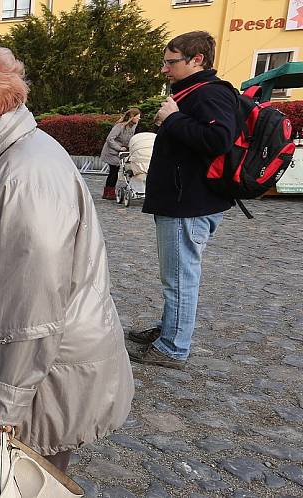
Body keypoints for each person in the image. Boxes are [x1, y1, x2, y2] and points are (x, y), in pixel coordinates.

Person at [0, 45, 134, 472]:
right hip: (30, 371)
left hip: (38, 383)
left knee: (26, 478)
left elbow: (30, 315)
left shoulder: (25, 180)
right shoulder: (3, 159)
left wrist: (3, 410)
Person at [128, 31, 238, 369]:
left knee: (180, 277)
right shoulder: (198, 92)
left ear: (197, 60)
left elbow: (219, 139)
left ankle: (173, 346)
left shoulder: (209, 94)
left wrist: (172, 119)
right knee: (178, 274)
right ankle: (170, 330)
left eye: (171, 62)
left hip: (188, 203)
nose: (165, 69)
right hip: (189, 200)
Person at [100, 109, 140, 199]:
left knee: (115, 172)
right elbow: (110, 139)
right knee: (113, 171)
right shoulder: (119, 126)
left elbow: (130, 138)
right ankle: (108, 192)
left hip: (121, 152)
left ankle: (109, 192)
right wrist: (119, 148)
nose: (138, 119)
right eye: (137, 117)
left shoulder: (133, 126)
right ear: (132, 117)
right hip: (112, 152)